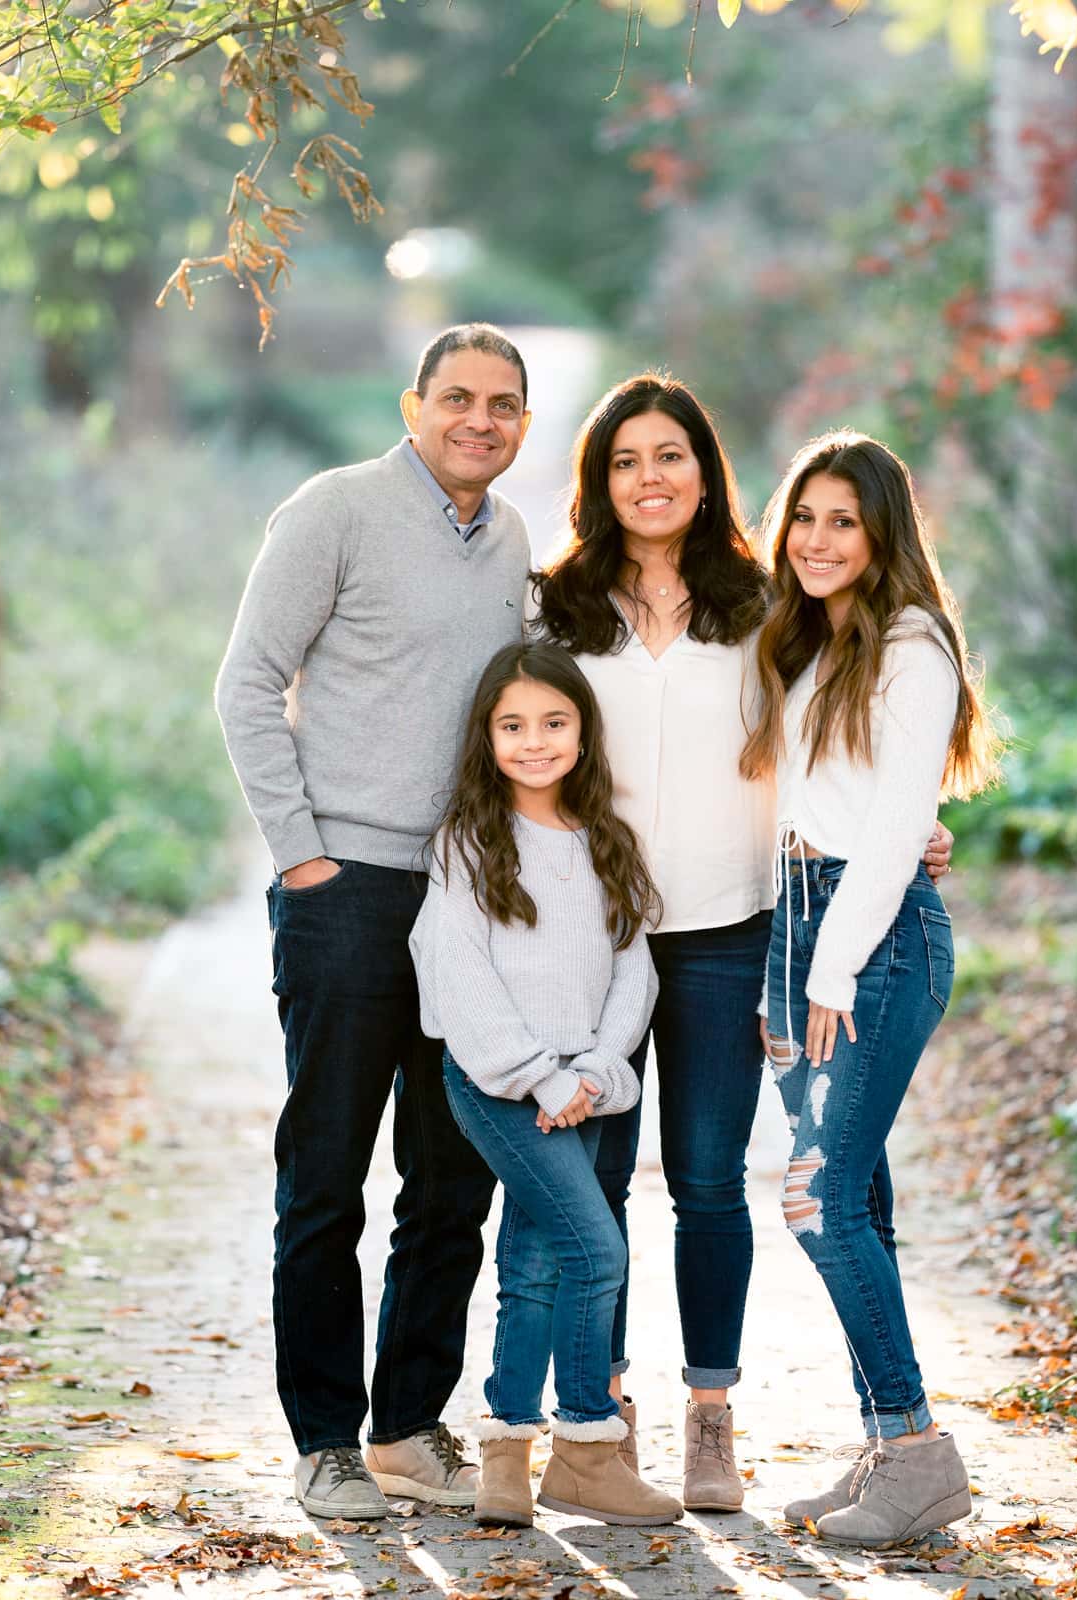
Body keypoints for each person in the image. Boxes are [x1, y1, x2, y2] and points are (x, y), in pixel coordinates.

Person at [528, 375, 953, 1511]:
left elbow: (851, 735)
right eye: (626, 460)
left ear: (707, 473)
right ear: (599, 480)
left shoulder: (766, 600)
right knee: (596, 1181)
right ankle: (597, 1418)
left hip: (732, 934)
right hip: (598, 934)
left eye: (672, 455)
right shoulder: (556, 608)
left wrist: (906, 829)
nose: (650, 477)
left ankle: (709, 1419)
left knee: (711, 1182)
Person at [214, 324, 534, 1519]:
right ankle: (325, 1441)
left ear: (523, 426)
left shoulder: (511, 542)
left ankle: (406, 1425)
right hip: (345, 892)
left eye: (503, 404)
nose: (479, 420)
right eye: (457, 398)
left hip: (469, 902)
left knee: (452, 1182)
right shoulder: (333, 510)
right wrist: (302, 854)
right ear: (413, 406)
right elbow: (246, 679)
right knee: (328, 1177)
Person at [740, 431, 1000, 1547]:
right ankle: (886, 1441)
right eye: (804, 516)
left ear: (884, 530)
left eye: (843, 520)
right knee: (860, 1203)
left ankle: (918, 1452)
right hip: (800, 929)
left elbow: (896, 827)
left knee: (816, 1196)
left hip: (872, 942)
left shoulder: (911, 644)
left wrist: (831, 968)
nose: (816, 539)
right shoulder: (810, 640)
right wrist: (787, 964)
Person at [411, 642, 678, 1529]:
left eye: (554, 723)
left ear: (582, 731)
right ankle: (588, 1446)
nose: (535, 742)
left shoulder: (607, 840)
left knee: (533, 1264)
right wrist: (537, 1077)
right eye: (513, 726)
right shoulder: (467, 846)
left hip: (587, 1089)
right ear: (487, 738)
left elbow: (633, 968)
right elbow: (458, 977)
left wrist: (596, 1072)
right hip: (500, 1087)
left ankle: (506, 1459)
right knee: (597, 1252)